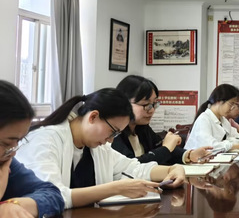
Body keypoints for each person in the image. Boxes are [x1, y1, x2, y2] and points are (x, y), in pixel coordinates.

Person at [16, 88, 186, 209]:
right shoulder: (45, 140)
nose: (110, 140)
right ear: (93, 117)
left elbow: (133, 168)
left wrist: (172, 169)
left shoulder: (97, 147)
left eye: (117, 134)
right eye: (112, 132)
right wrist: (115, 188)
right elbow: (52, 196)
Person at [0, 81, 64, 218]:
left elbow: (52, 194)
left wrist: (13, 206)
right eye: (6, 143)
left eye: (19, 141)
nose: (13, 152)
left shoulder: (6, 161)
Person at [112, 75, 211, 165]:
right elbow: (133, 166)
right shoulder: (113, 132)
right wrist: (166, 148)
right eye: (146, 104)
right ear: (124, 102)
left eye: (154, 103)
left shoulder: (142, 127)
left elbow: (161, 150)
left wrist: (189, 155)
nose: (152, 110)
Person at [185, 84, 239, 151]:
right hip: (198, 158)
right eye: (231, 104)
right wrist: (236, 145)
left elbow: (235, 137)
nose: (232, 108)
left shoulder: (223, 120)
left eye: (234, 105)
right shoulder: (204, 119)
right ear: (219, 101)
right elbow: (210, 146)